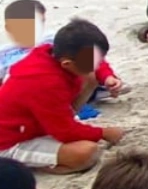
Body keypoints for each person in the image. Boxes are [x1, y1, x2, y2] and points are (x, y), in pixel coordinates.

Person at [0, 20, 125, 174]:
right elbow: (64, 131)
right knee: (86, 153)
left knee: (90, 77)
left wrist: (107, 77)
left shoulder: (50, 52)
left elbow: (97, 62)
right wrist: (103, 133)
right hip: (11, 140)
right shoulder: (44, 82)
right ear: (67, 64)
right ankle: (35, 166)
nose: (98, 64)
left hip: (37, 123)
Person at [0, 0, 125, 99]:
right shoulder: (4, 54)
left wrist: (107, 76)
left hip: (70, 86)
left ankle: (98, 90)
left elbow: (93, 57)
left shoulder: (54, 39)